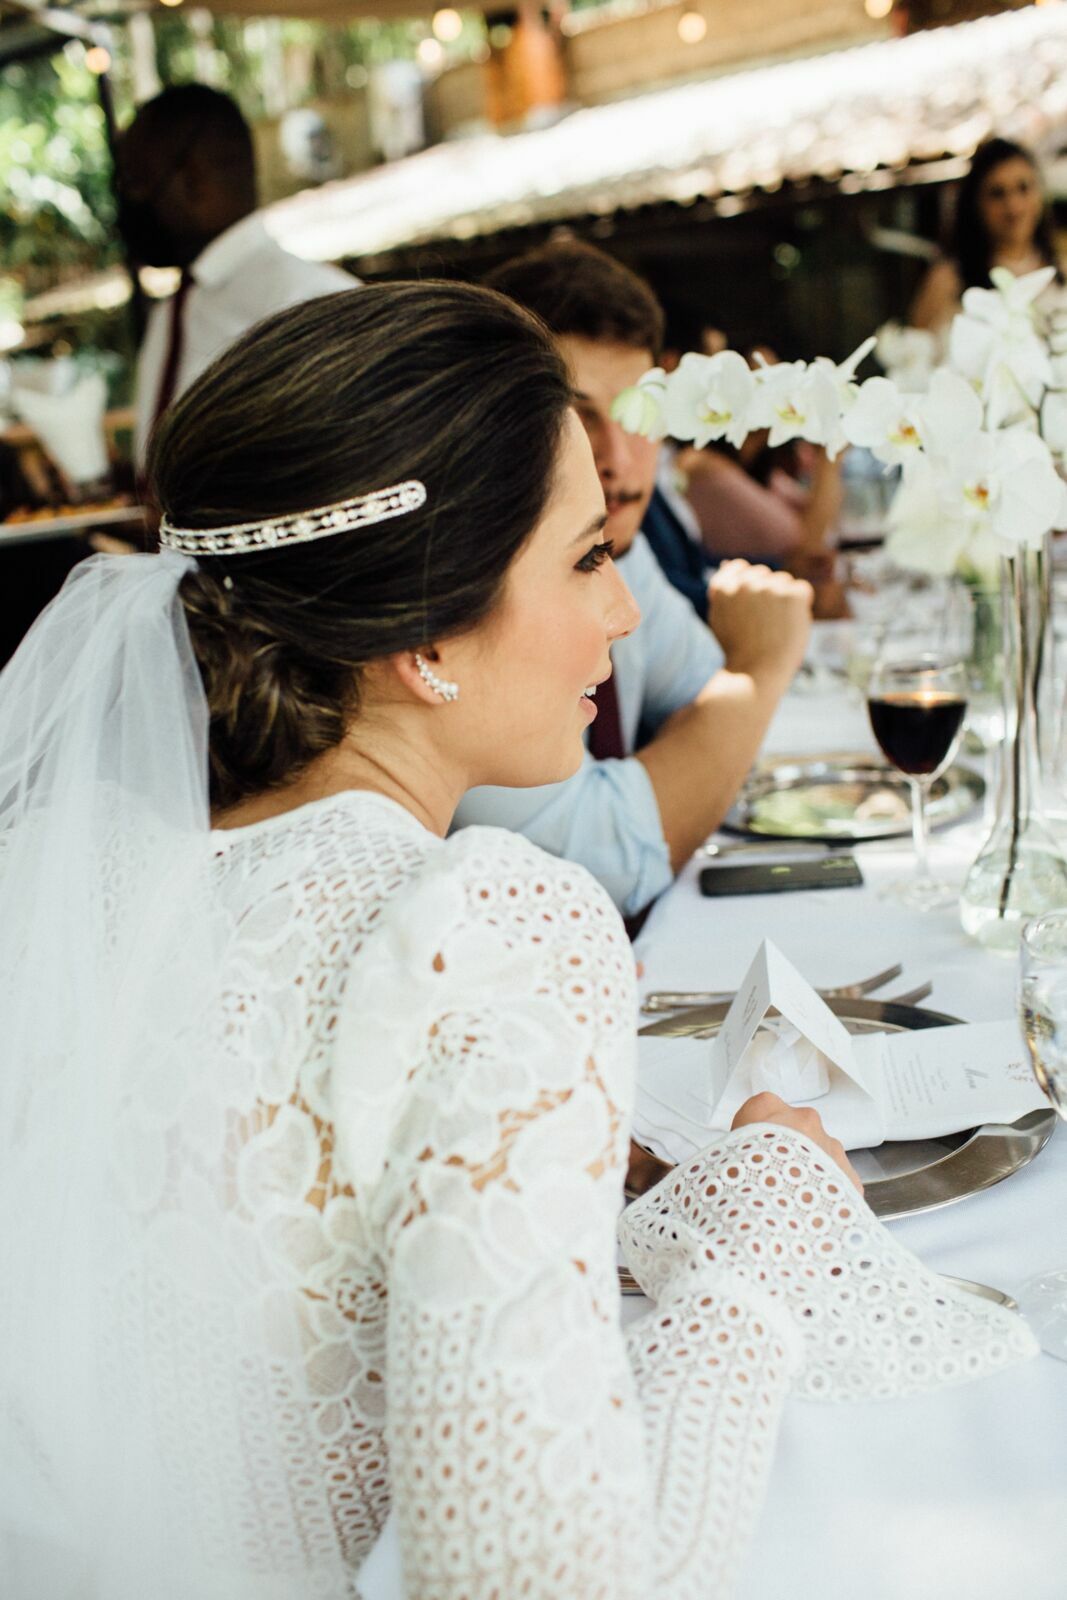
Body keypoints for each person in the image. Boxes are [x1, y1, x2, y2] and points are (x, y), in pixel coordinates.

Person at [0, 281, 1033, 1600]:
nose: (621, 614)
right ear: (429, 630)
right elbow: (536, 1581)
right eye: (588, 560)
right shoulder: (487, 928)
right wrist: (758, 1248)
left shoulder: (71, 877)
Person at [455, 240, 814, 917]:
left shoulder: (625, 549)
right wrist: (759, 670)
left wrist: (728, 706)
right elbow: (596, 869)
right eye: (574, 416)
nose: (615, 457)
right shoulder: (469, 599)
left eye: (637, 415)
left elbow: (708, 707)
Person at [116, 82, 355, 471]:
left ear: (193, 179)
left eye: (136, 181)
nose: (131, 202)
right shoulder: (172, 313)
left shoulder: (315, 303)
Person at [910, 136, 1062, 337]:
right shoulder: (947, 280)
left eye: (1023, 188)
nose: (1014, 207)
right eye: (997, 194)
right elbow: (915, 348)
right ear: (975, 204)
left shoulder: (1062, 267)